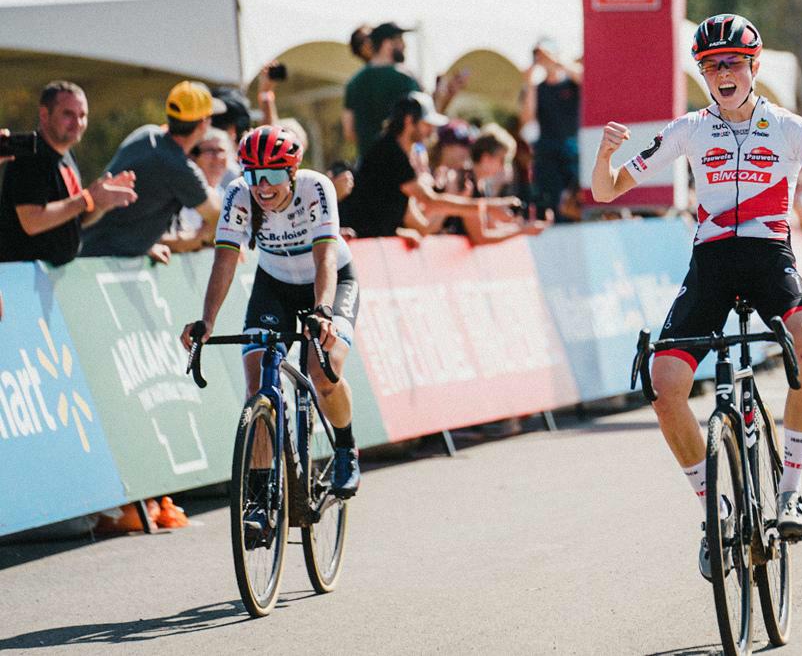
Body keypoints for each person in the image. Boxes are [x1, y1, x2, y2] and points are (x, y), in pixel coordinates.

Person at [591, 13, 802, 578]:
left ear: (753, 67)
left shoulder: (793, 129)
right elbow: (607, 189)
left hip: (771, 259)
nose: (723, 73)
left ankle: (791, 489)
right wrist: (606, 155)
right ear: (702, 72)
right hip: (713, 264)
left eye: (733, 63)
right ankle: (713, 511)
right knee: (665, 384)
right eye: (712, 65)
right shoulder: (690, 127)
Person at [178, 125, 362, 503]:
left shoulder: (316, 188)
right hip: (274, 285)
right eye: (254, 175)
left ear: (292, 173)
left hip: (330, 281)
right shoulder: (238, 196)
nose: (263, 186)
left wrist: (323, 311)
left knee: (322, 370)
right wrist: (207, 320)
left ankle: (346, 448)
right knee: (257, 383)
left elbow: (325, 255)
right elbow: (225, 261)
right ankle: (261, 496)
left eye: (274, 175)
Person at [342, 92, 523, 244]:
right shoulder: (391, 152)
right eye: (427, 124)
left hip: (372, 238)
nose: (431, 131)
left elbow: (416, 221)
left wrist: (402, 232)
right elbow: (430, 200)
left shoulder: (400, 153)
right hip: (362, 241)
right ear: (409, 121)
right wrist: (490, 206)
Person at [80, 82, 223, 264]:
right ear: (203, 124)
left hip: (87, 252)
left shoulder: (145, 134)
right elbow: (217, 217)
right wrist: (197, 239)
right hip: (102, 262)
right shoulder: (179, 168)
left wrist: (146, 243)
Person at [0, 83, 137, 265]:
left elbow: (75, 219)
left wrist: (100, 204)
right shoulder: (31, 156)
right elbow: (32, 222)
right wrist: (86, 199)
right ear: (44, 115)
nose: (78, 123)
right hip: (22, 277)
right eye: (68, 114)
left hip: (51, 278)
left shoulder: (67, 155)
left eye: (82, 115)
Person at [520, 38, 582, 222]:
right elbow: (527, 119)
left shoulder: (571, 84)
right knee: (550, 202)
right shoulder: (538, 89)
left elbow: (588, 80)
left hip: (572, 152)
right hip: (547, 153)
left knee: (575, 200)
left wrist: (555, 59)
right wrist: (529, 82)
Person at [342, 22, 421, 158]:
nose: (404, 46)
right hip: (400, 165)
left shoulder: (354, 83)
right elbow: (421, 126)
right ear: (387, 44)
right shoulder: (406, 79)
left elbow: (349, 132)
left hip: (367, 165)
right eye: (400, 40)